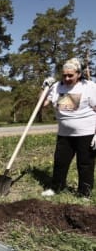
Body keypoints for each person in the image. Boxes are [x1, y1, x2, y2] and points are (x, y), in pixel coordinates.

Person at [41, 58, 96, 198]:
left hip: (87, 133)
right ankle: (56, 188)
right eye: (64, 75)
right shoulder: (57, 87)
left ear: (78, 74)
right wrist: (45, 88)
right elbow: (42, 103)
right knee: (60, 162)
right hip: (64, 134)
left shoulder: (89, 86)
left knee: (85, 165)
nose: (66, 78)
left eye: (70, 75)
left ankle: (84, 193)